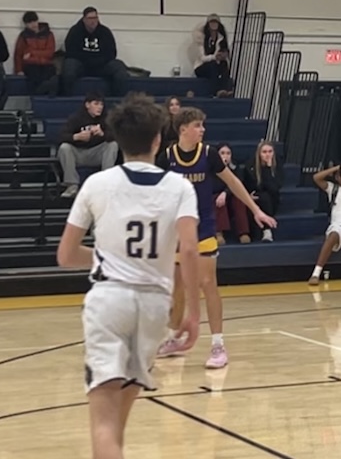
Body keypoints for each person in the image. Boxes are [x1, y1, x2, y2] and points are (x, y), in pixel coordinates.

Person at [56, 94, 202, 459]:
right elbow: (189, 249)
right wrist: (192, 312)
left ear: (118, 139)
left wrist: (109, 256)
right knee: (117, 425)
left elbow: (66, 255)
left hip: (110, 301)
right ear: (158, 139)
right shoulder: (180, 187)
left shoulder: (97, 184)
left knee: (104, 426)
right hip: (154, 306)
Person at [154, 107, 276, 368]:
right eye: (197, 125)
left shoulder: (208, 154)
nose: (203, 130)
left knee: (208, 283)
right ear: (183, 129)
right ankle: (174, 338)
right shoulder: (167, 157)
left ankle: (218, 346)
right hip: (177, 231)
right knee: (177, 287)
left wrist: (256, 210)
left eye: (203, 125)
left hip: (204, 228)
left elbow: (233, 182)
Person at [56, 92, 120, 198]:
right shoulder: (76, 118)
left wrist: (103, 134)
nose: (100, 107)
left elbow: (117, 136)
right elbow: (60, 136)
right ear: (87, 105)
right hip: (78, 153)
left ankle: (106, 184)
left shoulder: (106, 118)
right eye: (96, 104)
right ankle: (72, 186)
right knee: (64, 148)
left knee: (112, 145)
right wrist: (76, 137)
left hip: (97, 154)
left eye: (101, 104)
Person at [62, 7, 129, 97]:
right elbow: (71, 52)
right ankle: (67, 97)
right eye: (90, 18)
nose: (93, 21)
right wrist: (88, 60)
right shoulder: (75, 31)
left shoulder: (105, 32)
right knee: (69, 65)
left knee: (119, 67)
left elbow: (111, 53)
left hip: (101, 65)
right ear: (84, 19)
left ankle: (117, 98)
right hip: (82, 65)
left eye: (95, 18)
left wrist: (98, 61)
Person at [244, 140, 282, 242]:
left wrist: (268, 169)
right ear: (259, 154)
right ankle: (267, 230)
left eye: (270, 151)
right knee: (264, 196)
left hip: (272, 198)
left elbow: (275, 187)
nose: (267, 155)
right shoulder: (251, 165)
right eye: (264, 152)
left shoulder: (277, 165)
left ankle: (267, 230)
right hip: (255, 196)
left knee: (267, 196)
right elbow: (257, 186)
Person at [14, 11, 58, 96]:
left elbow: (50, 52)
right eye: (29, 23)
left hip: (46, 63)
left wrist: (31, 53)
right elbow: (18, 54)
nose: (33, 24)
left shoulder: (48, 34)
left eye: (34, 21)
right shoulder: (24, 36)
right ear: (26, 25)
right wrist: (19, 70)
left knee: (50, 73)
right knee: (34, 76)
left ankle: (44, 92)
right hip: (31, 65)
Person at [190, 14, 233, 97]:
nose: (214, 24)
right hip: (201, 67)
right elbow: (202, 58)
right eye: (211, 22)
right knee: (213, 65)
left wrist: (223, 56)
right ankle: (215, 92)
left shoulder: (221, 38)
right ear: (208, 24)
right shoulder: (201, 39)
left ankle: (226, 90)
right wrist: (214, 57)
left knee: (224, 64)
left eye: (215, 22)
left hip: (215, 65)